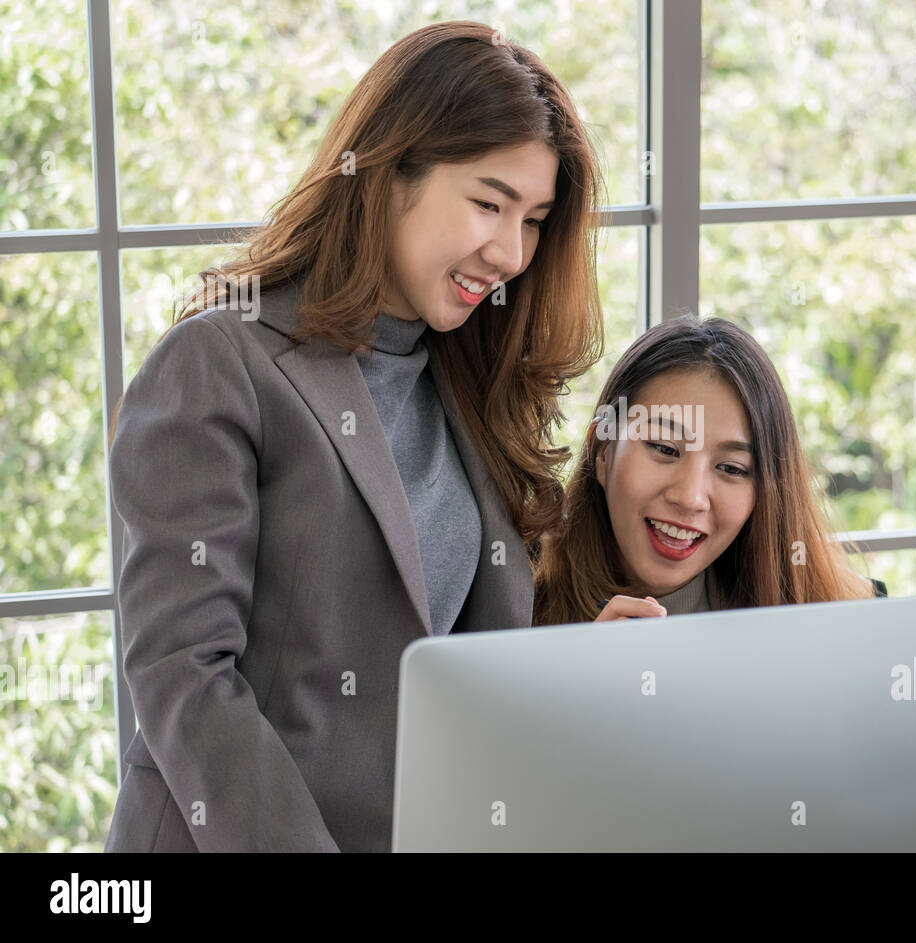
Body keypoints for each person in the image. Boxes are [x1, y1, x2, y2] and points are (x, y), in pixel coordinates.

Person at [103, 22, 606, 852]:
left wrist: (590, 670)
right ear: (387, 171)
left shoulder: (473, 386)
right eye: (487, 202)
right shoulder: (221, 362)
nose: (510, 252)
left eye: (535, 219)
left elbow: (455, 667)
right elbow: (183, 676)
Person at [533, 315, 885, 626]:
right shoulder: (513, 605)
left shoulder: (845, 618)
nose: (690, 498)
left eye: (732, 468)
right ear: (602, 451)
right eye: (664, 448)